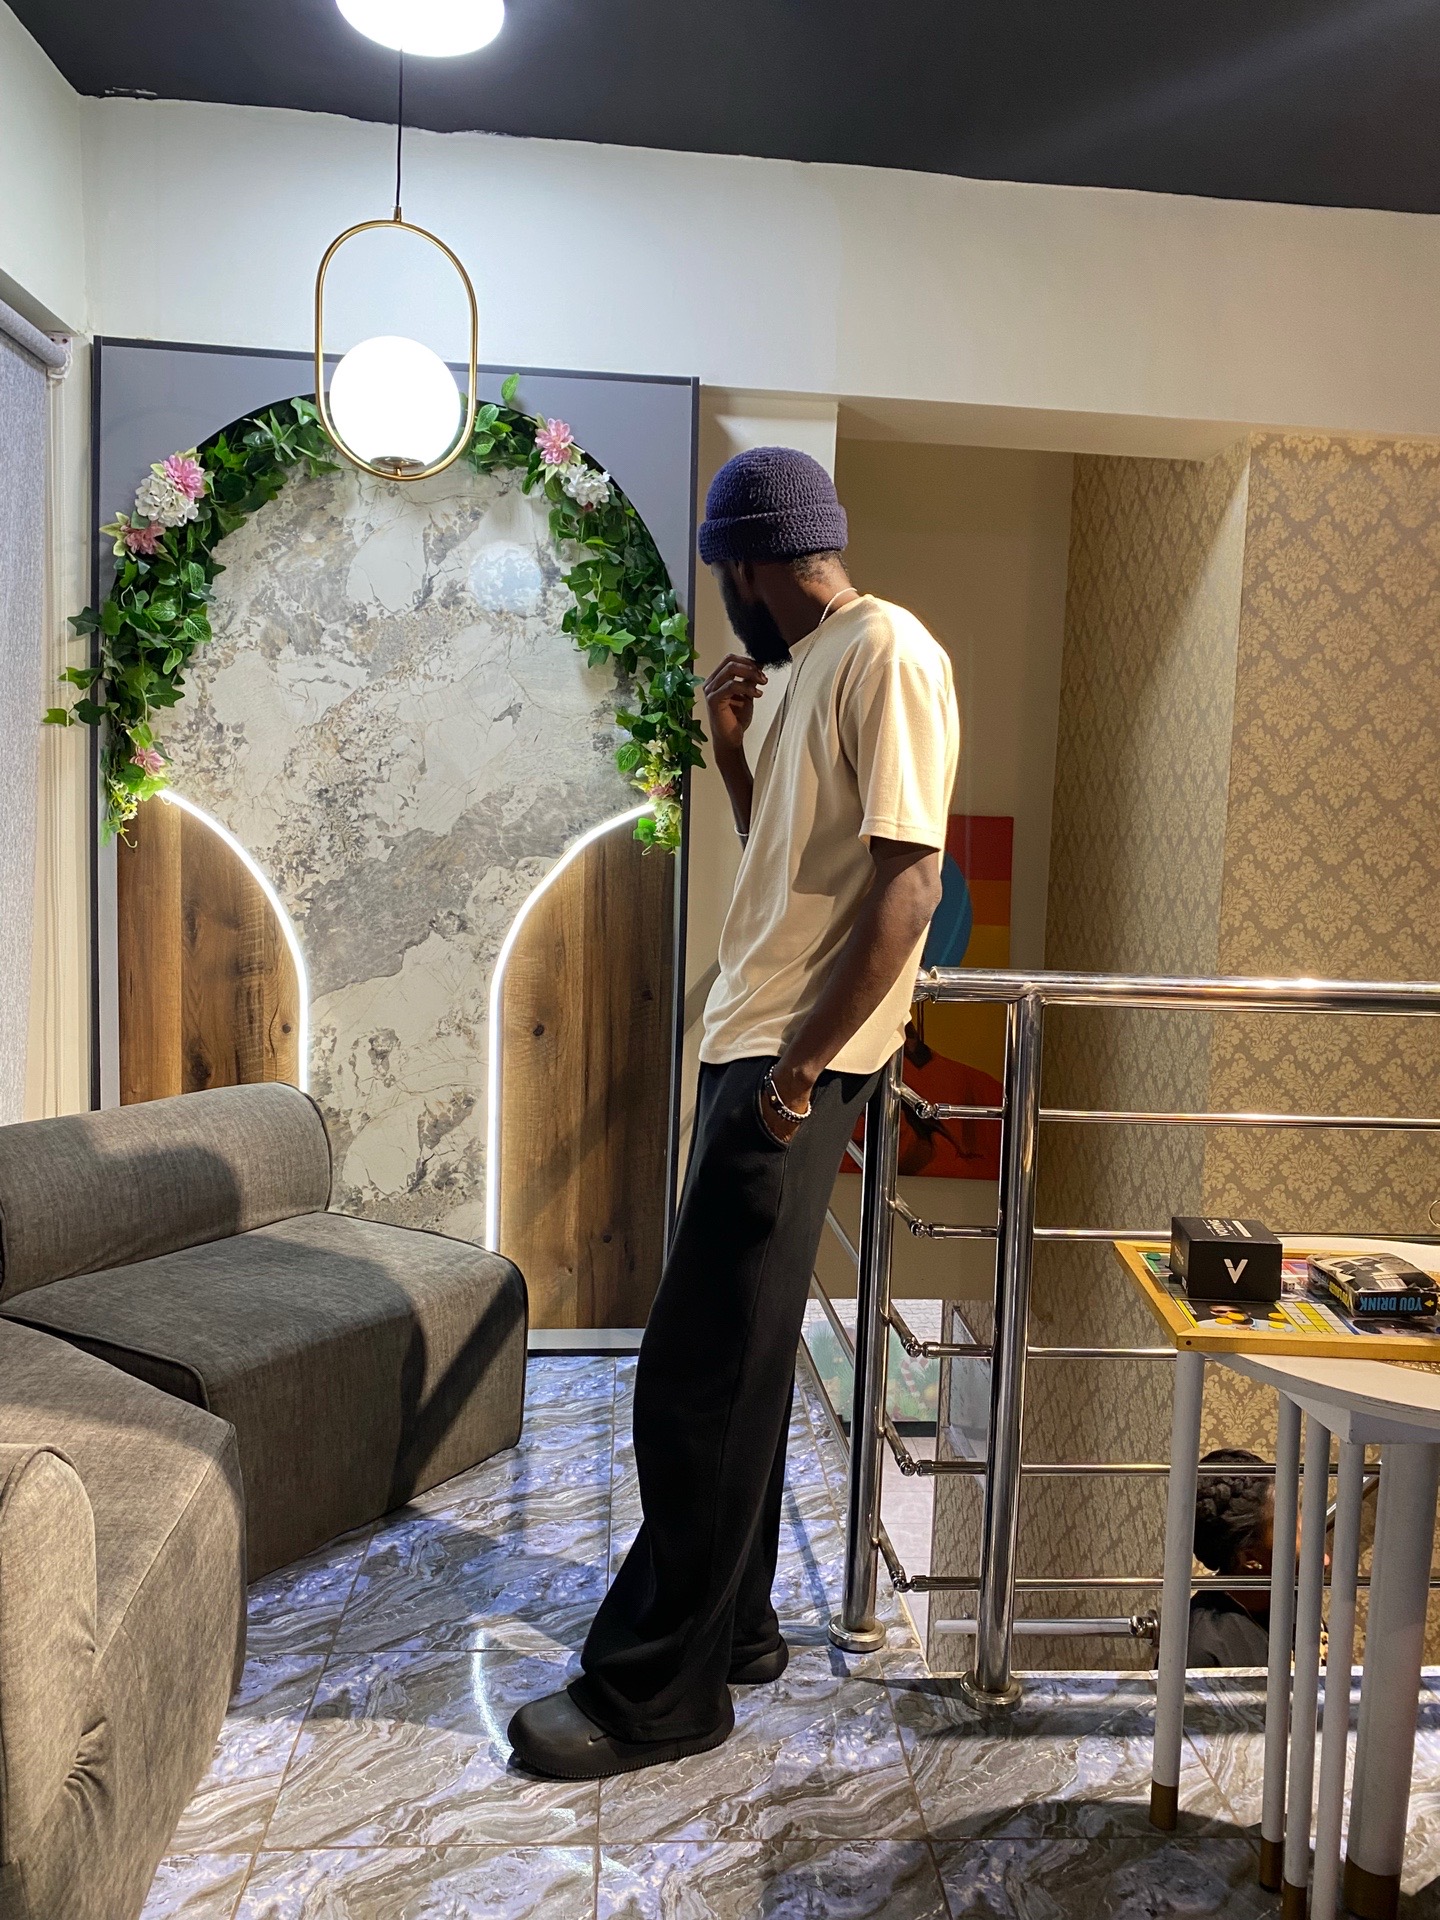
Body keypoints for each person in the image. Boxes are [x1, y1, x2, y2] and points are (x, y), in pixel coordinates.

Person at [508, 445, 961, 1777]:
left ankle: (658, 1693)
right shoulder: (812, 662)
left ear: (750, 562)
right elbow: (797, 861)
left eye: (723, 575)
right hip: (755, 1046)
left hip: (785, 1064)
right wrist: (727, 750)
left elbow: (911, 884)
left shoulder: (889, 653)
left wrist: (797, 1078)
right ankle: (738, 1628)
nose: (726, 602)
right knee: (738, 1362)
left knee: (695, 1377)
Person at [1186, 1448, 1275, 1667]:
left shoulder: (1292, 1597)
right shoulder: (1201, 1649)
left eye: (1299, 1510)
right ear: (1250, 1558)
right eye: (1293, 1524)